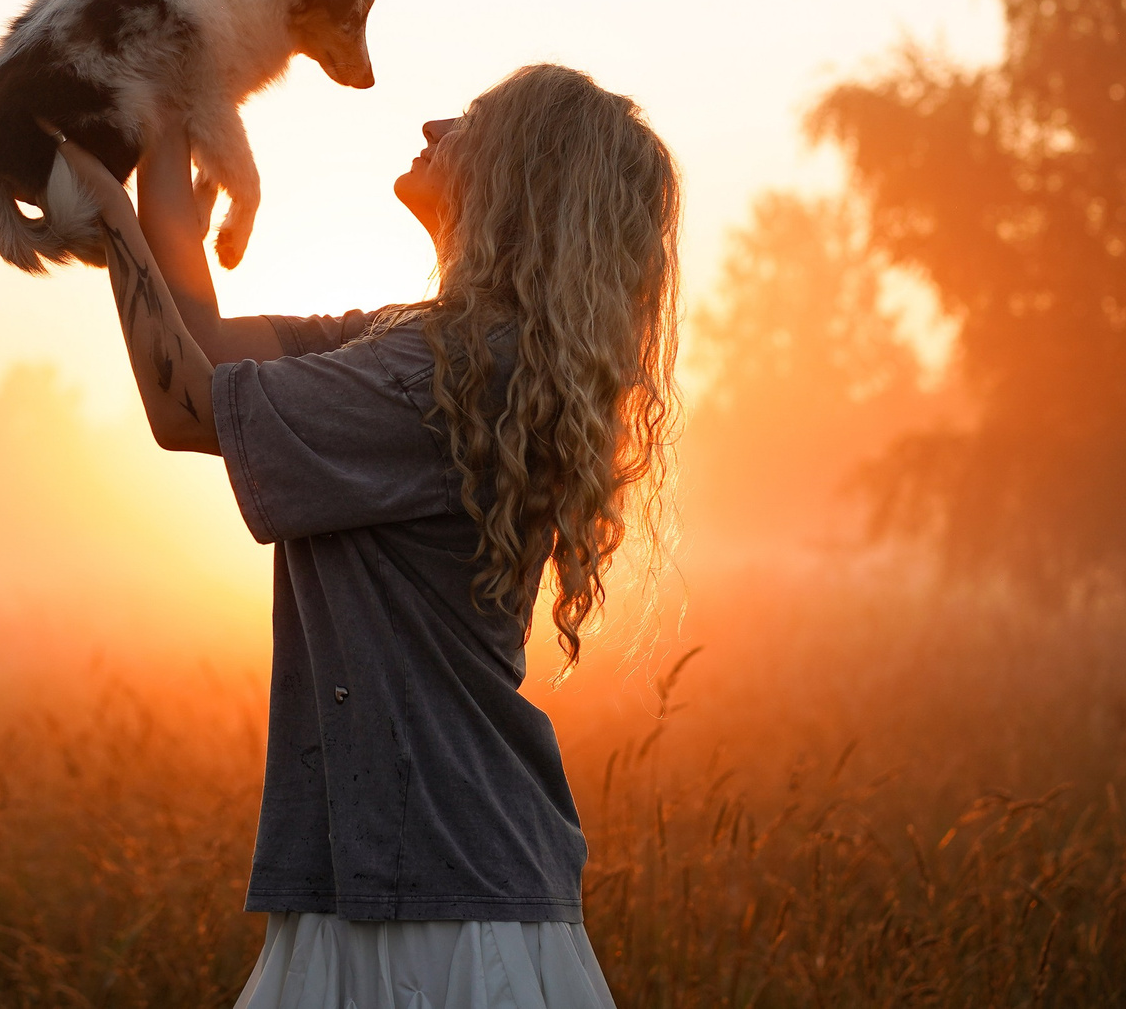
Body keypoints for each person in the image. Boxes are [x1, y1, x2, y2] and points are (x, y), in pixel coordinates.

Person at [49, 62, 680, 1009]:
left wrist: (106, 208)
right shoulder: (413, 344)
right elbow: (200, 335)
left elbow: (184, 408)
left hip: (445, 911)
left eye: (469, 120)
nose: (432, 120)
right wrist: (168, 119)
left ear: (521, 175)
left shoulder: (447, 378)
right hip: (383, 887)